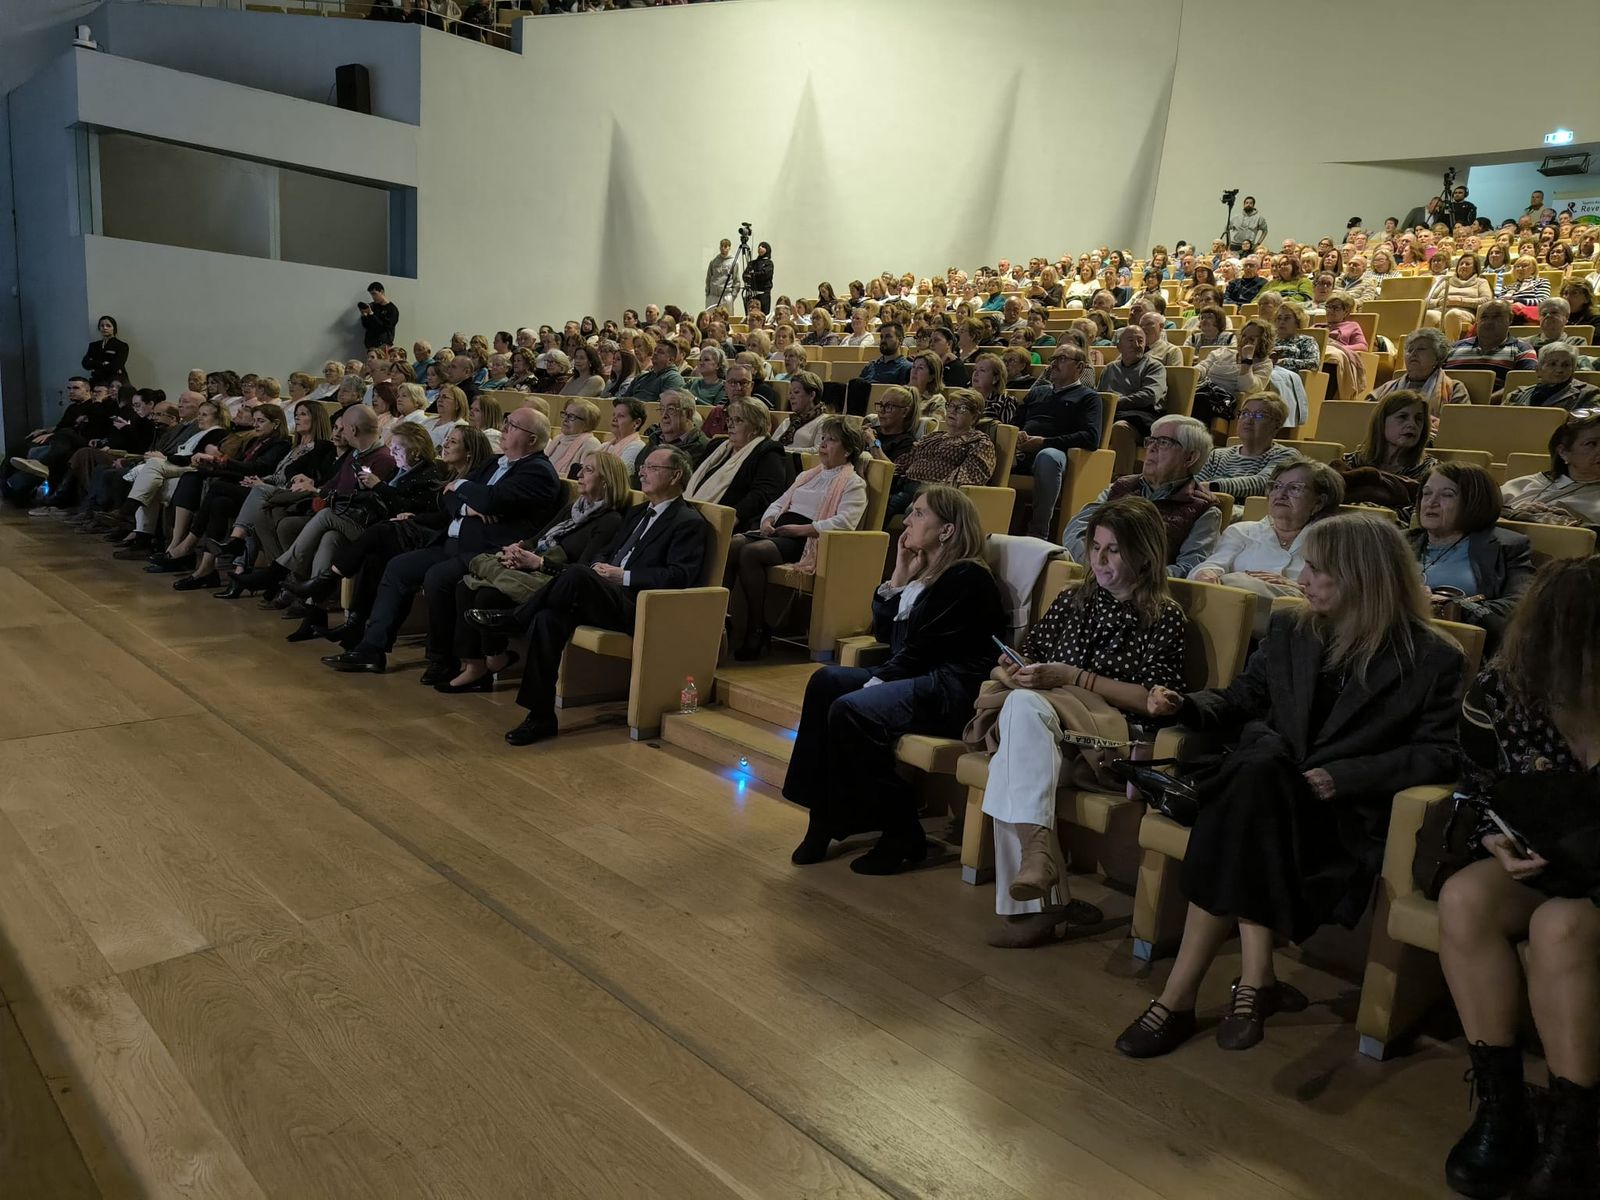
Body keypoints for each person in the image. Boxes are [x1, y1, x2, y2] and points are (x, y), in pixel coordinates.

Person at [1116, 513, 1463, 1059]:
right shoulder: (1291, 628)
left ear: (1363, 577)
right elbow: (1245, 697)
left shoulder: (1433, 658)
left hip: (1338, 813)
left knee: (1246, 796)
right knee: (1254, 785)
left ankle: (1183, 997)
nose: (1301, 579)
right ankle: (1249, 981)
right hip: (1266, 792)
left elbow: (1440, 754)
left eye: (1317, 569)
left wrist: (1344, 777)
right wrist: (1185, 705)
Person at [1437, 559, 1600, 1200]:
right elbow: (1473, 787)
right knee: (1465, 897)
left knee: (1559, 927)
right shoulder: (1505, 690)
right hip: (1555, 856)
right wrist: (1492, 837)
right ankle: (1502, 1107)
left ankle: (1576, 1132)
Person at [981, 496, 1189, 946]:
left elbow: (1153, 701)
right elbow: (1030, 654)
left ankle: (1040, 901)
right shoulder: (1073, 599)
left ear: (1145, 555)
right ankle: (1039, 869)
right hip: (1052, 727)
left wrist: (1072, 677)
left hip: (1111, 740)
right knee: (1020, 724)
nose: (1099, 560)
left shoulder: (1163, 616)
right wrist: (1015, 667)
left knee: (1015, 737)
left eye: (1113, 550)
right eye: (1095, 547)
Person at [785, 487, 1005, 874]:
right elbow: (886, 635)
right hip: (916, 675)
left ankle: (900, 826)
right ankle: (825, 814)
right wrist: (900, 574)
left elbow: (925, 648)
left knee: (850, 710)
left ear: (947, 530)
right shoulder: (928, 574)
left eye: (919, 514)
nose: (907, 521)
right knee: (825, 682)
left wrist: (878, 683)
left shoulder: (967, 576)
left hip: (950, 689)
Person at [466, 446, 712, 746]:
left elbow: (680, 576)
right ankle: (540, 716)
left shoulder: (688, 521)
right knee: (547, 618)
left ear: (675, 476)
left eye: (652, 468)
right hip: (605, 593)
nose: (643, 473)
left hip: (641, 606)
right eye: (643, 467)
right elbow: (606, 551)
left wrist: (622, 575)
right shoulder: (637, 512)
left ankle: (516, 619)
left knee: (577, 574)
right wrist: (599, 566)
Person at [321, 407, 562, 678]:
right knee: (399, 567)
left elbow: (487, 499)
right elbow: (447, 497)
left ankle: (441, 659)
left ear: (532, 439)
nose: (504, 429)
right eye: (506, 422)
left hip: (486, 553)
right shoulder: (495, 462)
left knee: (438, 577)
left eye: (513, 426)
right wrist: (467, 504)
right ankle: (371, 649)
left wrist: (463, 489)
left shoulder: (538, 471)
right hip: (451, 543)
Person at [442, 451, 631, 694]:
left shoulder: (610, 520)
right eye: (581, 468)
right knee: (464, 586)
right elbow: (538, 538)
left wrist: (538, 563)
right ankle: (475, 664)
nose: (580, 475)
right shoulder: (573, 509)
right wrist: (519, 548)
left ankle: (494, 659)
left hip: (554, 581)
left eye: (589, 470)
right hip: (532, 568)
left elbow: (583, 572)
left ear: (606, 481)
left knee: (487, 596)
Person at [723, 417, 868, 659]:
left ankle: (757, 627)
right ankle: (722, 619)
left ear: (848, 450)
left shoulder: (854, 483)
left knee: (751, 552)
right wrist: (768, 521)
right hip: (781, 531)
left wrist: (801, 530)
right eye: (823, 438)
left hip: (807, 541)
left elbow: (845, 523)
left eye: (831, 440)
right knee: (733, 544)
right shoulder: (808, 475)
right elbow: (779, 502)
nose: (823, 444)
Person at [1191, 458, 1344, 633]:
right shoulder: (1242, 531)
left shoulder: (1333, 541)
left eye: (1295, 488)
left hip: (1307, 626)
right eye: (1276, 486)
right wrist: (1206, 573)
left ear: (1319, 502)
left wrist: (1298, 587)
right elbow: (1212, 565)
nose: (1281, 494)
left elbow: (1342, 594)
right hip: (1239, 625)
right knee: (1229, 583)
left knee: (1235, 583)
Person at [1064, 414, 1222, 577]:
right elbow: (1077, 529)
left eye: (1163, 442)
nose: (1151, 448)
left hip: (1144, 590)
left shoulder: (1204, 510)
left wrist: (1130, 576)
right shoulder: (1119, 487)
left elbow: (1189, 568)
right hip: (1092, 578)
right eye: (1151, 441)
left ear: (1189, 457)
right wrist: (1098, 566)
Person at [1406, 462, 1533, 646]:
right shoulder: (1397, 541)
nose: (1431, 502)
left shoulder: (1507, 546)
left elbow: (1521, 605)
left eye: (1447, 495)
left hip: (1458, 645)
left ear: (1475, 502)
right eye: (1426, 493)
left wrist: (1452, 606)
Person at [1013, 345, 1103, 539]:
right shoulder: (1037, 392)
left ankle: (1038, 533)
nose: (1054, 364)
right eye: (1053, 359)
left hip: (1058, 454)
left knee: (1048, 456)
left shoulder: (1088, 397)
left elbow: (1091, 437)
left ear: (1079, 367)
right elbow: (1013, 424)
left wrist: (1044, 443)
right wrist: (1017, 435)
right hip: (1021, 451)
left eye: (1061, 359)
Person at [885, 387, 997, 518]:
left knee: (915, 509)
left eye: (961, 408)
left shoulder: (979, 442)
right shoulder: (933, 437)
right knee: (878, 502)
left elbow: (969, 477)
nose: (952, 411)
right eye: (951, 406)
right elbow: (904, 463)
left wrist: (933, 493)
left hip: (935, 494)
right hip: (906, 486)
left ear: (974, 417)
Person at [684, 398, 790, 533]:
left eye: (738, 420)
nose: (730, 425)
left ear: (756, 427)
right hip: (691, 512)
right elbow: (692, 476)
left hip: (730, 522)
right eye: (729, 419)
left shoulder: (768, 451)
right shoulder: (716, 445)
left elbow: (764, 494)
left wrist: (735, 516)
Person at [1501, 412, 1600, 528]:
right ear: (1563, 452)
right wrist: (1513, 514)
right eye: (1592, 444)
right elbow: (1484, 516)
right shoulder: (1522, 485)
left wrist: (1576, 527)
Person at [1193, 391, 1301, 497]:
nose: (1248, 420)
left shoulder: (1287, 456)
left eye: (1259, 415)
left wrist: (1213, 487)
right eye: (1245, 413)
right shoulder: (1217, 455)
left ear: (1276, 425)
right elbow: (1195, 484)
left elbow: (1265, 483)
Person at [1372, 328, 1469, 428]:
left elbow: (1461, 427)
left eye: (1421, 349)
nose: (1413, 353)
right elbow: (1366, 418)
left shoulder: (1454, 389)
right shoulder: (1386, 389)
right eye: (1410, 350)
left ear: (1438, 357)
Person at [1100, 325, 1168, 439]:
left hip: (1140, 416)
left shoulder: (1154, 366)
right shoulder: (1110, 368)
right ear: (1119, 347)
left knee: (1120, 427)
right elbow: (1100, 395)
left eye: (1140, 341)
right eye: (1131, 340)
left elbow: (1149, 396)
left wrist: (1114, 403)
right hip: (1111, 413)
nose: (1136, 345)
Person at [632, 388, 712, 484]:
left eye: (671, 409)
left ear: (688, 414)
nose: (664, 416)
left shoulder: (704, 449)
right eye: (662, 409)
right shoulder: (653, 441)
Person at [1506, 342, 1600, 412]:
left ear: (1573, 370)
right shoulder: (1517, 395)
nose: (1559, 370)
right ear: (1538, 369)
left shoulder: (1589, 394)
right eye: (1553, 364)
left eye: (1566, 365)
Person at [1425, 252, 1495, 342]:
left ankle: (1450, 346)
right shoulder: (1447, 281)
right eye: (1461, 264)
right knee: (1429, 315)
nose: (1463, 266)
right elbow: (1427, 301)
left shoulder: (1481, 282)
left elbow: (1486, 300)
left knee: (1453, 314)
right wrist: (1439, 302)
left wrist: (1460, 301)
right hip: (1441, 310)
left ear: (1475, 268)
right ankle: (1428, 346)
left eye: (1467, 264)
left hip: (1465, 312)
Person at [771, 371, 828, 450]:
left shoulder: (824, 422)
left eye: (796, 392)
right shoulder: (788, 421)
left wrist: (784, 450)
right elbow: (771, 447)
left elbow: (818, 451)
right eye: (790, 393)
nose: (790, 397)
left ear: (812, 395)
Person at [863, 385, 919, 464]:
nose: (881, 411)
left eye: (889, 406)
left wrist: (873, 442)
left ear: (904, 412)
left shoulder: (906, 443)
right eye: (881, 405)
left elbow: (890, 469)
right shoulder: (871, 431)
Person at [601, 398, 648, 474]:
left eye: (621, 416)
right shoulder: (605, 445)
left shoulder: (636, 447)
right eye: (614, 415)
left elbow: (619, 475)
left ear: (637, 423)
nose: (614, 419)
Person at [80, 315, 128, 388]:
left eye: (108, 326)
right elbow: (85, 363)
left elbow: (116, 366)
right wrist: (103, 363)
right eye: (102, 326)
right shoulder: (93, 345)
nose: (105, 328)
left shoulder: (122, 346)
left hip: (114, 381)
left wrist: (94, 364)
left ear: (114, 328)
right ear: (99, 328)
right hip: (96, 381)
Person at [358, 281, 399, 349]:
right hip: (371, 345)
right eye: (371, 295)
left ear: (382, 292)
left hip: (383, 345)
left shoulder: (392, 309)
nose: (373, 297)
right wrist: (364, 315)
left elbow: (384, 328)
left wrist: (371, 314)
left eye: (374, 294)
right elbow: (367, 326)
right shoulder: (373, 306)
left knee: (377, 356)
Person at [743, 241, 774, 317]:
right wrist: (753, 275)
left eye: (763, 246)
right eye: (759, 246)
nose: (760, 247)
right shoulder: (752, 263)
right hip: (752, 294)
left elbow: (764, 275)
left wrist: (753, 274)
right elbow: (745, 275)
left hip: (763, 294)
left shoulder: (769, 263)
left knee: (763, 315)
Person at [705, 238, 735, 311]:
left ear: (729, 248)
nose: (723, 248)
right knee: (711, 314)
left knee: (726, 316)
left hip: (726, 296)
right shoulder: (714, 261)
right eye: (721, 246)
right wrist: (708, 293)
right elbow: (708, 278)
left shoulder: (734, 262)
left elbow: (736, 280)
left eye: (725, 246)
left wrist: (733, 295)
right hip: (713, 295)